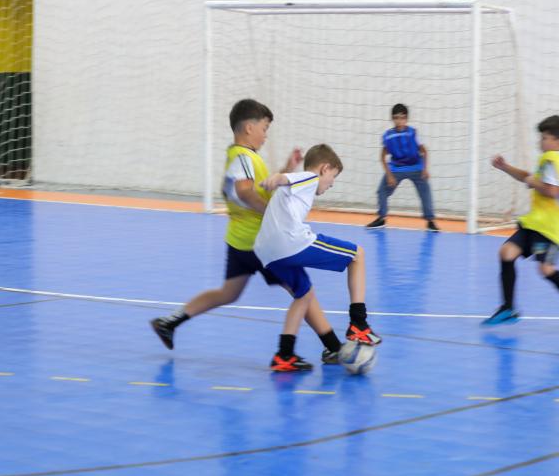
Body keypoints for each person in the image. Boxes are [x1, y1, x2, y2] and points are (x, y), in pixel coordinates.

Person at [150, 99, 345, 367]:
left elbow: (264, 189)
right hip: (261, 242)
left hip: (239, 240)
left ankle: (170, 322)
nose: (266, 135)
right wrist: (270, 212)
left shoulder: (243, 157)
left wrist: (287, 169)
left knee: (228, 293)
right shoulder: (243, 157)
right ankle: (325, 349)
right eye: (264, 129)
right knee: (304, 291)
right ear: (249, 128)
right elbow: (245, 192)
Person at [256, 143, 381, 372]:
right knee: (357, 255)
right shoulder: (310, 178)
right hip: (290, 242)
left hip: (266, 253)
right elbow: (285, 179)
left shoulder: (297, 185)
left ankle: (288, 353)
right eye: (332, 177)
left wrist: (286, 170)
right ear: (324, 168)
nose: (331, 184)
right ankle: (358, 323)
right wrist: (277, 176)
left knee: (304, 295)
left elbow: (286, 181)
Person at [483, 115, 559, 328]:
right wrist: (506, 167)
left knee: (546, 269)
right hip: (536, 223)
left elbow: (552, 191)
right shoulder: (552, 160)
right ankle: (508, 308)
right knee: (506, 253)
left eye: (546, 138)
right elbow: (528, 177)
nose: (541, 141)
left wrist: (533, 182)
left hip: (552, 228)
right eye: (542, 137)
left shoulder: (553, 159)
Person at [365, 103, 438, 231]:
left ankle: (430, 221)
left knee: (425, 192)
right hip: (396, 169)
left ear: (407, 119)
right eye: (396, 118)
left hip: (416, 167)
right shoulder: (388, 135)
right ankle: (381, 218)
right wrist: (389, 175)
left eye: (402, 118)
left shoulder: (413, 133)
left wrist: (425, 169)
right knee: (381, 191)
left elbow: (424, 151)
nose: (399, 121)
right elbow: (382, 156)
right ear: (392, 119)